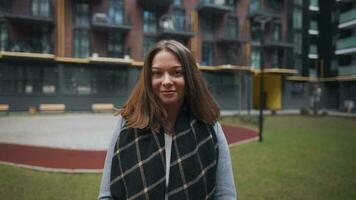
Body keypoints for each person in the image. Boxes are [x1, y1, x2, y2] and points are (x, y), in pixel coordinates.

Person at [98, 40, 237, 200]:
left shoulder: (210, 127)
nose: (166, 81)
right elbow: (106, 195)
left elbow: (225, 195)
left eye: (176, 72)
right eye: (157, 73)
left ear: (190, 77)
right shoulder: (127, 124)